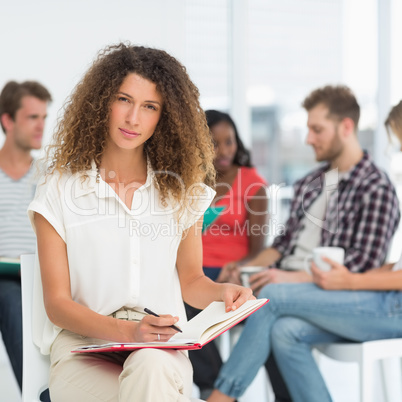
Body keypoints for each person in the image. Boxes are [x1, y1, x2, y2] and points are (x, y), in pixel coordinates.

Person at [27, 43, 254, 402]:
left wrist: (221, 293)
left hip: (160, 346)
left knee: (150, 368)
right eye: (124, 99)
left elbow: (192, 280)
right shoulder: (59, 188)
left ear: (165, 116)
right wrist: (127, 331)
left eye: (150, 107)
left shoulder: (180, 191)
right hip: (84, 350)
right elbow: (57, 303)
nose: (133, 118)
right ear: (102, 101)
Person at [207, 99, 402, 402]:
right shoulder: (311, 182)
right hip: (323, 286)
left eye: (316, 129)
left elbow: (360, 267)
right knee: (284, 331)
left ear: (346, 128)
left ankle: (220, 397)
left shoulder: (376, 186)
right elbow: (282, 246)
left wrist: (331, 280)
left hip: (361, 298)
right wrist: (245, 267)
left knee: (272, 298)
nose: (308, 138)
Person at [187, 110, 268, 399]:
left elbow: (259, 248)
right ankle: (216, 389)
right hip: (193, 269)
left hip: (230, 274)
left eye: (229, 142)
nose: (223, 151)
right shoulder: (192, 181)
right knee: (174, 302)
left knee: (190, 303)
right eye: (214, 143)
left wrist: (236, 267)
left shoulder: (252, 183)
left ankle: (214, 392)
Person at [0, 80, 52, 391]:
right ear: (7, 120)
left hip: (40, 275)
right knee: (9, 295)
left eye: (44, 118)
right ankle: (40, 395)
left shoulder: (50, 174)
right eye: (33, 118)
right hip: (5, 280)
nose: (40, 127)